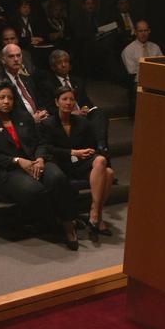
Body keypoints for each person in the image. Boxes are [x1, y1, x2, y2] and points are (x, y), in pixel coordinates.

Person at [0, 84, 79, 249]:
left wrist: (39, 158)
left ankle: (68, 226)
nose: (6, 101)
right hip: (9, 169)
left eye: (10, 98)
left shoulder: (23, 117)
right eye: (2, 98)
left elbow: (40, 142)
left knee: (57, 178)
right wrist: (18, 161)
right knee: (34, 189)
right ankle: (55, 222)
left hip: (35, 161)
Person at [41, 85, 115, 238]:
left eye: (71, 99)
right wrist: (72, 152)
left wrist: (87, 152)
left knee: (104, 165)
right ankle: (97, 217)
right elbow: (47, 148)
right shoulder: (47, 124)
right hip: (59, 165)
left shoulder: (82, 122)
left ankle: (95, 211)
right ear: (56, 102)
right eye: (64, 99)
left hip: (80, 163)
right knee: (107, 172)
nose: (68, 103)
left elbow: (91, 145)